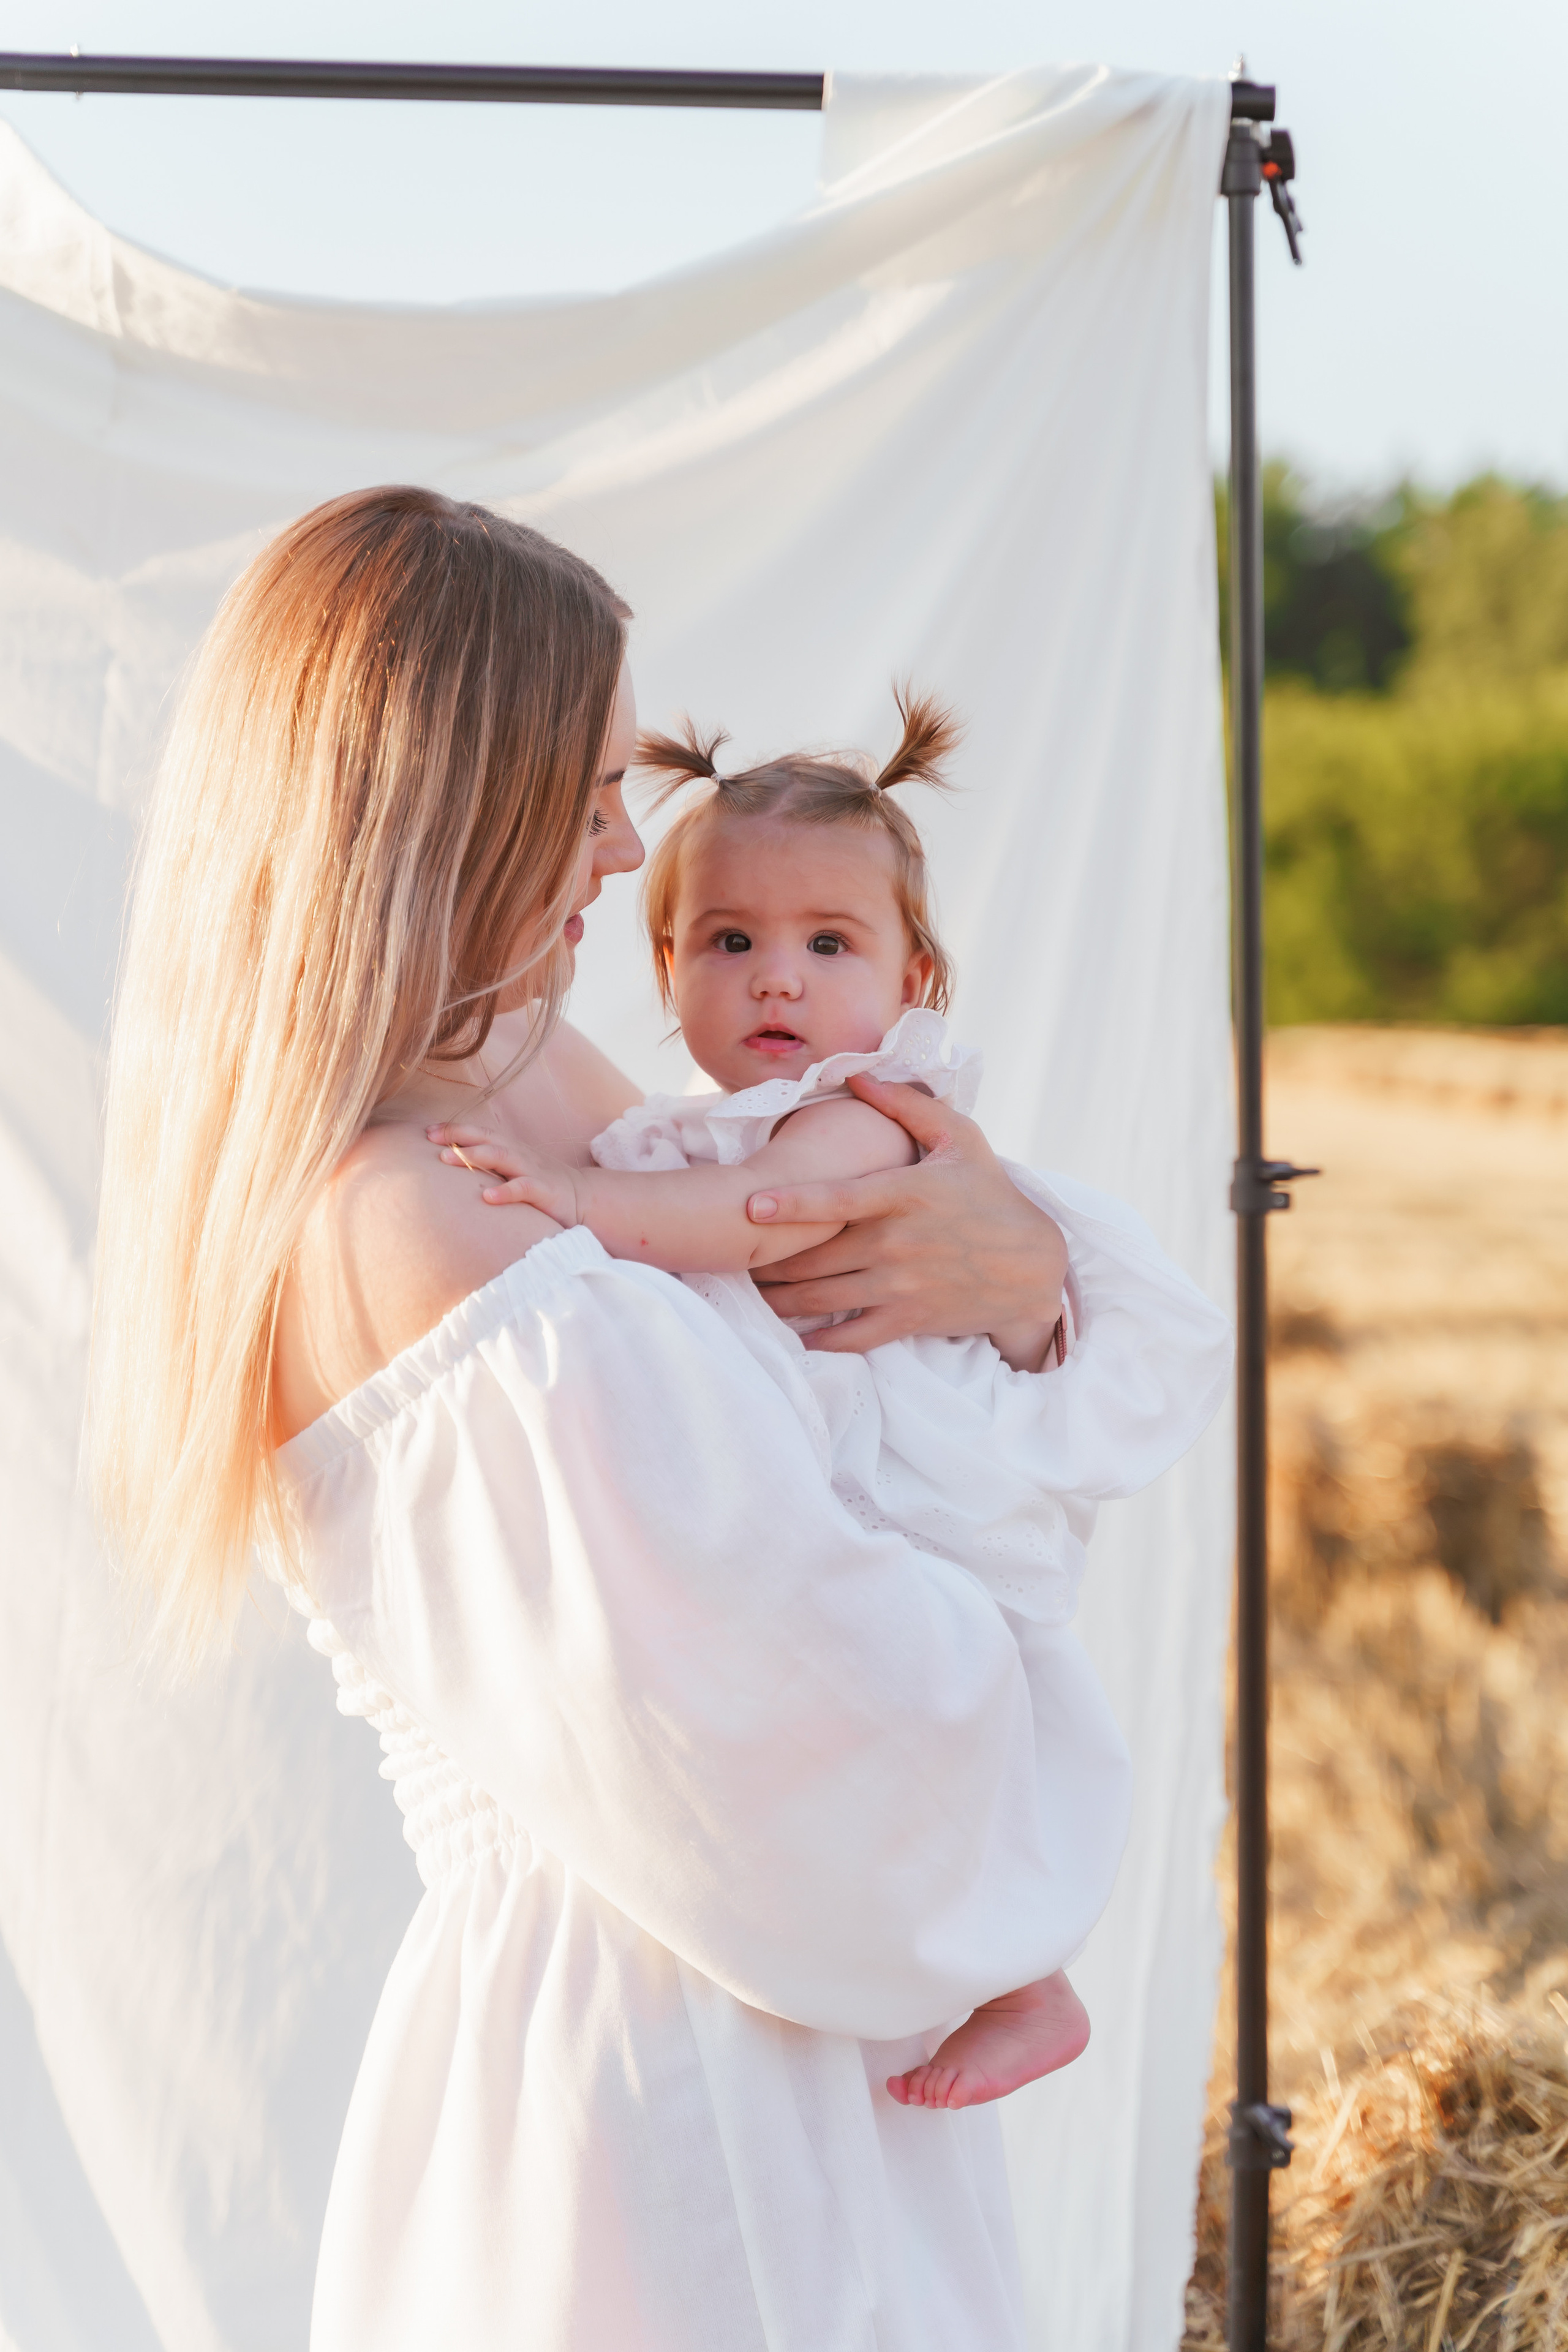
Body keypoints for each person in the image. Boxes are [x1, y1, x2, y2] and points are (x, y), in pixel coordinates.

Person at [91, 485, 1227, 2351]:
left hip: (767, 2016)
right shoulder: (403, 1203)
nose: (629, 854)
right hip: (668, 2065)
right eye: (592, 790)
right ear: (454, 797)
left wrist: (1013, 1272)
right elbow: (780, 1701)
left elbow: (859, 1222)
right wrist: (1004, 1713)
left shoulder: (513, 1070)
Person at [428, 689, 1232, 2112]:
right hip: (844, 1487)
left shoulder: (867, 1110)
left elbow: (761, 1218)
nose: (775, 982)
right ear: (665, 960)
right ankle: (989, 1969)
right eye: (729, 943)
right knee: (878, 1763)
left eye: (825, 945)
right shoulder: (682, 1123)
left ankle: (1030, 1973)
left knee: (953, 1732)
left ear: (912, 977)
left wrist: (570, 1200)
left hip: (929, 1493)